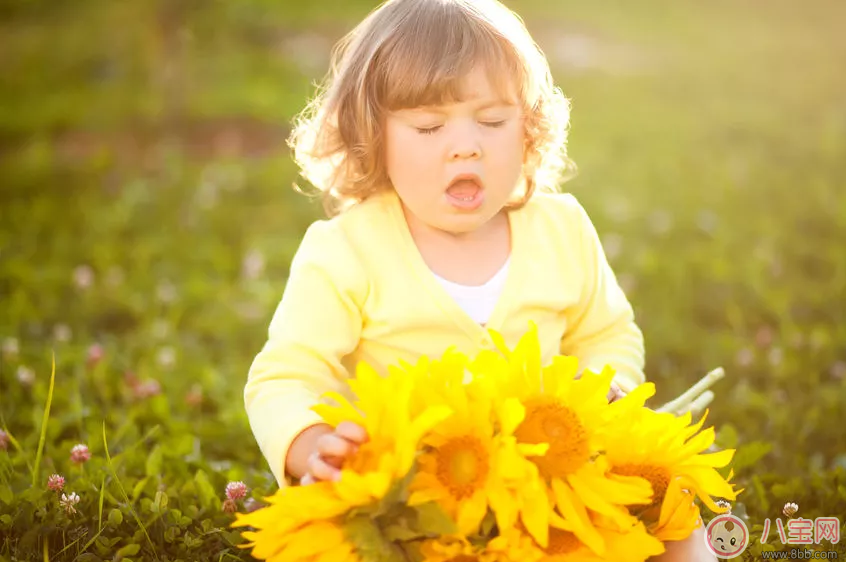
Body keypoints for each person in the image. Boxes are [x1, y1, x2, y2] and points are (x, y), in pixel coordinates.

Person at [244, 0, 715, 559]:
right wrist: (309, 442)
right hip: (411, 501)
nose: (466, 144)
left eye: (492, 122)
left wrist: (600, 389)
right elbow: (285, 375)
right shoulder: (346, 251)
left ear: (528, 129)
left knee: (680, 533)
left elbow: (606, 333)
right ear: (373, 136)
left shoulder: (560, 228)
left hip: (545, 493)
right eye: (428, 125)